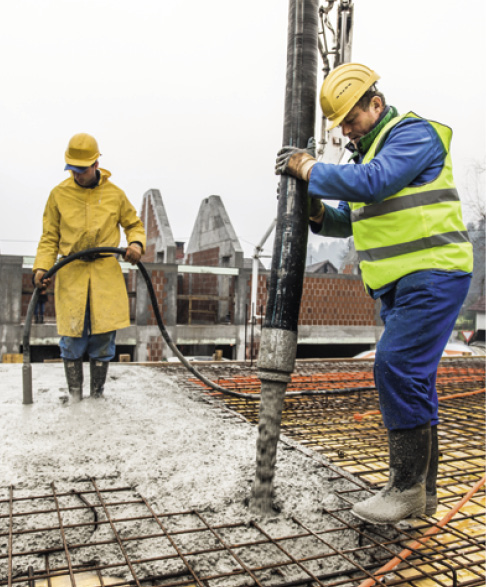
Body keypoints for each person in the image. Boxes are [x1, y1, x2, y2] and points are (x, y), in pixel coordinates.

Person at [276, 63, 473, 525]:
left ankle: (403, 488)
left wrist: (308, 166)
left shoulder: (412, 135)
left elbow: (375, 184)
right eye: (341, 124)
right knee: (414, 378)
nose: (346, 130)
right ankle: (421, 495)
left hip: (433, 272)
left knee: (396, 365)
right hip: (401, 283)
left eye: (351, 119)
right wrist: (314, 205)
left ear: (376, 105)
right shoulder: (365, 157)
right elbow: (347, 216)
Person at [33, 133, 146, 402]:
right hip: (72, 274)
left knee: (103, 338)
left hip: (105, 274)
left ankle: (96, 396)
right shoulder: (58, 195)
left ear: (96, 164)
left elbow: (133, 224)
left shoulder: (115, 195)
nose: (76, 174)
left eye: (81, 169)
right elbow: (49, 237)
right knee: (72, 339)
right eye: (71, 168)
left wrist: (136, 243)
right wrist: (41, 268)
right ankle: (75, 397)